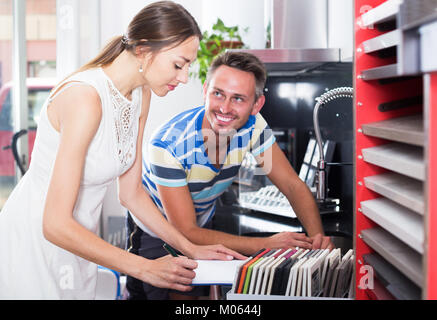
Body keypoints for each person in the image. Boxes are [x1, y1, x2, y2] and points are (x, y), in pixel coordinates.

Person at [0, 1, 244, 300]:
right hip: (36, 242)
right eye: (179, 64)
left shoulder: (140, 93)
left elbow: (131, 194)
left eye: (188, 67)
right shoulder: (85, 98)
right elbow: (54, 223)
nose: (184, 77)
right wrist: (143, 268)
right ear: (143, 50)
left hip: (80, 240)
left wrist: (189, 246)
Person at [126, 51, 335, 299]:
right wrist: (266, 244)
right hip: (155, 232)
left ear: (256, 105)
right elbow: (185, 231)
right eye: (218, 94)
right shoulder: (169, 146)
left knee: (197, 296)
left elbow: (291, 185)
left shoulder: (253, 127)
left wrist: (317, 240)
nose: (224, 108)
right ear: (205, 91)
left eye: (238, 99)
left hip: (201, 224)